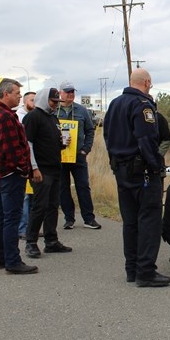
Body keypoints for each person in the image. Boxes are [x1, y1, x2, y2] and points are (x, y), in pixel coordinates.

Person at [103, 68, 170, 287]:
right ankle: (146, 271)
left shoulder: (114, 105)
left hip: (121, 170)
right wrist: (156, 165)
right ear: (147, 82)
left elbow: (107, 136)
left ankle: (132, 268)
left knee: (130, 221)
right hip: (142, 172)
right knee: (149, 221)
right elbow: (147, 140)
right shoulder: (142, 105)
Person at [0, 78, 37, 274]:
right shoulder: (5, 117)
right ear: (5, 94)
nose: (19, 97)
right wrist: (25, 170)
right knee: (11, 219)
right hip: (9, 174)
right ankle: (12, 261)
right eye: (16, 94)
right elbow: (13, 150)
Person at [22, 87, 72, 259]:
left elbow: (52, 142)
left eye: (57, 102)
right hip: (41, 169)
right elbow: (28, 145)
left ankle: (51, 241)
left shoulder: (53, 118)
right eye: (52, 101)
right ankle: (31, 242)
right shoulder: (33, 117)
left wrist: (63, 142)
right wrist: (34, 168)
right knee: (39, 206)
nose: (55, 105)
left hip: (55, 167)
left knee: (52, 206)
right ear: (44, 99)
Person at [56, 81, 101, 230]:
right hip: (60, 156)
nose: (70, 94)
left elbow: (90, 130)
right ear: (60, 92)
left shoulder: (82, 111)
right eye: (67, 92)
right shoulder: (54, 111)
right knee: (63, 187)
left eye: (72, 92)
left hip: (78, 155)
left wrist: (86, 149)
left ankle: (89, 218)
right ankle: (69, 218)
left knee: (83, 186)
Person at [16, 91, 35, 239]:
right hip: (23, 162)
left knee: (33, 197)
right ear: (24, 101)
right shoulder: (19, 116)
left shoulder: (37, 116)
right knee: (25, 198)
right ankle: (22, 228)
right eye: (32, 100)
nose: (34, 103)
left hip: (35, 161)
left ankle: (32, 228)